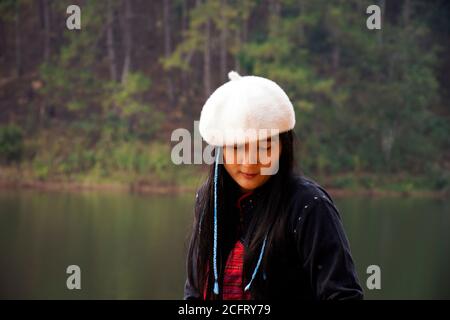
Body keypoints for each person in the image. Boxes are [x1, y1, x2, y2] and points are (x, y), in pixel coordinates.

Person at [184, 71, 363, 300]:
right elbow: (194, 293)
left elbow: (342, 295)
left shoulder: (308, 205)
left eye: (264, 148)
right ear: (220, 149)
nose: (249, 162)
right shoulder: (209, 199)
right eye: (237, 147)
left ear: (283, 147)